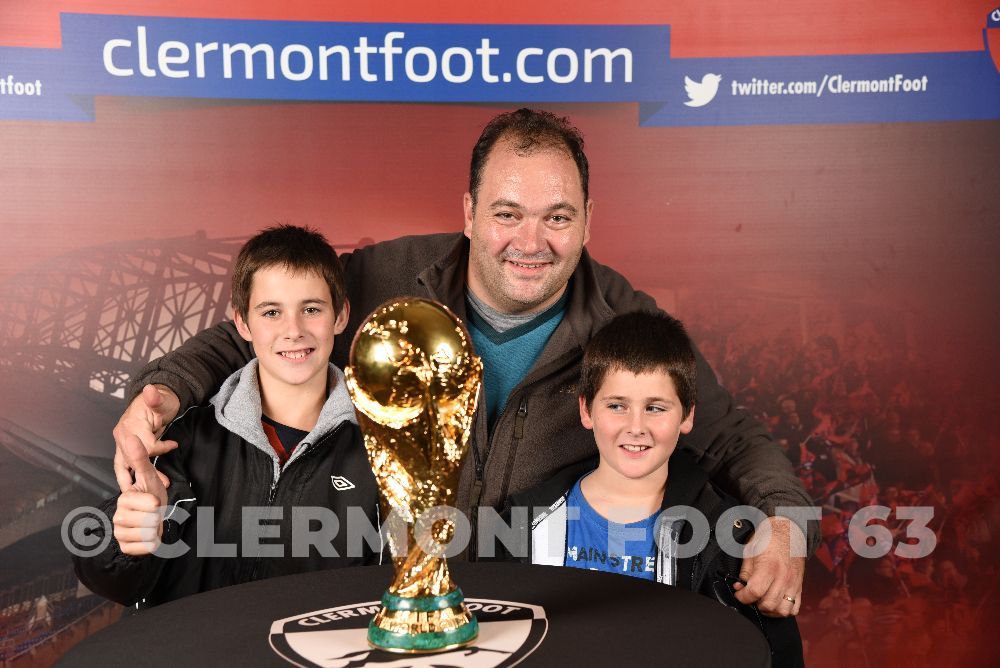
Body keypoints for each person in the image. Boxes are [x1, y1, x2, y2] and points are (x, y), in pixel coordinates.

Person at [112, 108, 811, 615]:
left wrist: (784, 522)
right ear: (470, 212)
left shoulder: (628, 324)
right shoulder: (386, 276)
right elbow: (270, 325)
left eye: (558, 217)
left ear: (589, 220)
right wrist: (162, 395)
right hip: (383, 607)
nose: (531, 242)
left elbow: (728, 435)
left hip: (533, 615)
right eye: (508, 213)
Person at [74, 225, 380, 608]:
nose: (294, 331)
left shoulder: (380, 452)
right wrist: (127, 544)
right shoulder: (184, 432)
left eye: (312, 309)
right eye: (271, 312)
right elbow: (116, 583)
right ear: (242, 324)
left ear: (340, 316)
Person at [504, 311, 804, 666]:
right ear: (586, 410)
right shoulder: (521, 525)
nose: (636, 427)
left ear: (688, 415)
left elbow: (778, 656)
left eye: (655, 408)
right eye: (617, 406)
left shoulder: (729, 542)